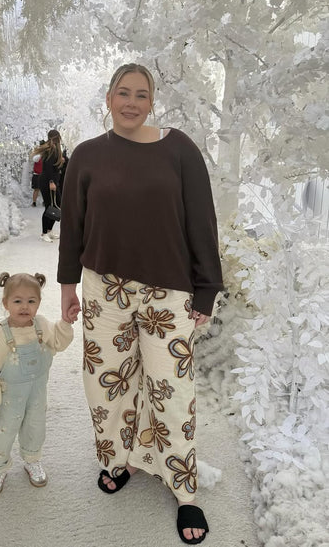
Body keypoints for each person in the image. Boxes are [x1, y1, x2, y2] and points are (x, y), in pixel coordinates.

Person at [58, 63, 223, 545]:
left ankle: (184, 489)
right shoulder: (87, 155)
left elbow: (202, 220)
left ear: (152, 102)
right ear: (109, 97)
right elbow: (73, 225)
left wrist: (207, 288)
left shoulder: (179, 149)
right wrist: (68, 287)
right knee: (106, 385)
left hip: (168, 293)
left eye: (141, 95)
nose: (131, 103)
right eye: (123, 93)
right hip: (103, 289)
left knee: (171, 389)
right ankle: (122, 458)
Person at [0, 271, 74, 497]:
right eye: (17, 301)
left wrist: (66, 322)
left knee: (35, 427)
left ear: (39, 303)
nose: (24, 307)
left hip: (36, 395)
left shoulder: (41, 325)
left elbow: (58, 342)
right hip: (7, 399)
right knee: (2, 433)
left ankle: (32, 459)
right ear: (6, 303)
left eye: (31, 301)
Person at [33, 129, 64, 243]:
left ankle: (49, 230)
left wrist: (61, 161)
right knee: (49, 207)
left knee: (57, 205)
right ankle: (44, 233)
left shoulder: (55, 149)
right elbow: (47, 167)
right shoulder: (50, 150)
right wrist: (51, 182)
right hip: (47, 181)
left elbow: (54, 167)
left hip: (52, 181)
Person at [31, 141, 45, 206]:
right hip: (37, 174)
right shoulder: (38, 154)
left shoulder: (46, 155)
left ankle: (44, 201)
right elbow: (34, 159)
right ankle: (34, 202)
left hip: (43, 174)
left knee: (44, 189)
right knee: (36, 189)